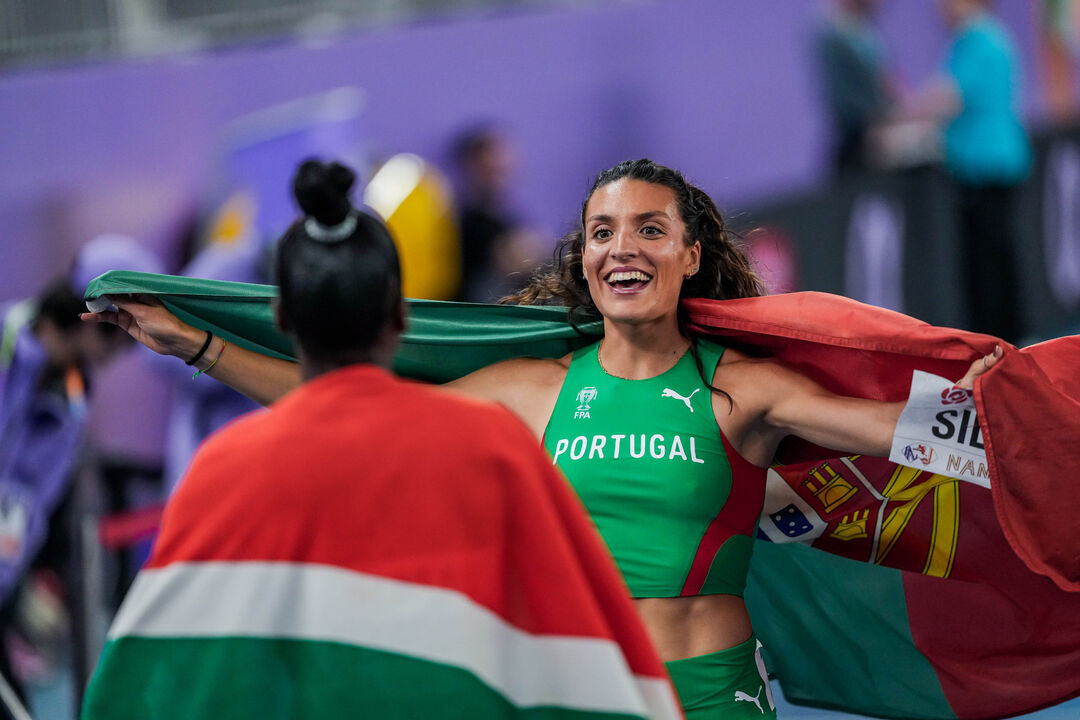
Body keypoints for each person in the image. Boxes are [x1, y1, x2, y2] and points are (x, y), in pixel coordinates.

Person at [83, 158, 999, 719]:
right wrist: (197, 344)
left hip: (716, 698)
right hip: (585, 695)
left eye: (649, 228)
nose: (621, 246)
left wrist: (1019, 423)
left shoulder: (741, 389)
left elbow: (915, 436)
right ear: (584, 259)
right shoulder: (532, 392)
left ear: (690, 255)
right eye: (603, 231)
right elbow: (342, 406)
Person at [81, 160, 679, 719]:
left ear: (285, 321)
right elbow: (583, 638)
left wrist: (195, 342)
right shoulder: (492, 445)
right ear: (398, 315)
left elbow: (146, 673)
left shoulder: (228, 468)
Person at [0, 234, 160, 705]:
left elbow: (28, 508)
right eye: (121, 333)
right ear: (91, 318)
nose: (123, 352)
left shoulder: (73, 400)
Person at [815, 0, 892, 175]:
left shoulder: (867, 35)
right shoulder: (834, 37)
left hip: (876, 132)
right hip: (859, 138)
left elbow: (887, 83)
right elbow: (846, 99)